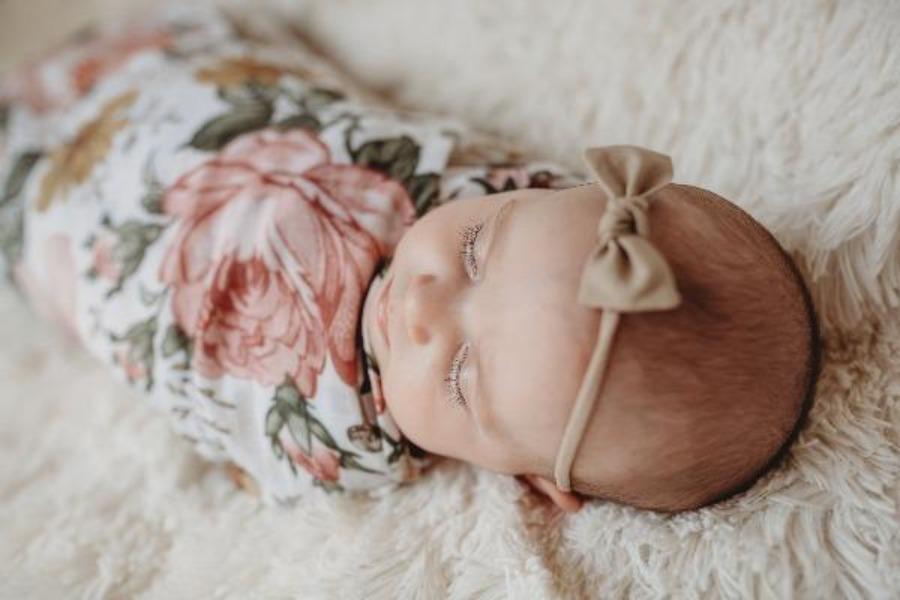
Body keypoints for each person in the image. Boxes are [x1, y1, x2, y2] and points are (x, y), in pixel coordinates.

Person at [0, 4, 818, 513]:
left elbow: (216, 423)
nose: (422, 307)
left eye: (463, 378)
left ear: (530, 479)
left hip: (56, 214)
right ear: (549, 189)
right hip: (171, 73)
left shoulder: (345, 442)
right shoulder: (511, 192)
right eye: (472, 248)